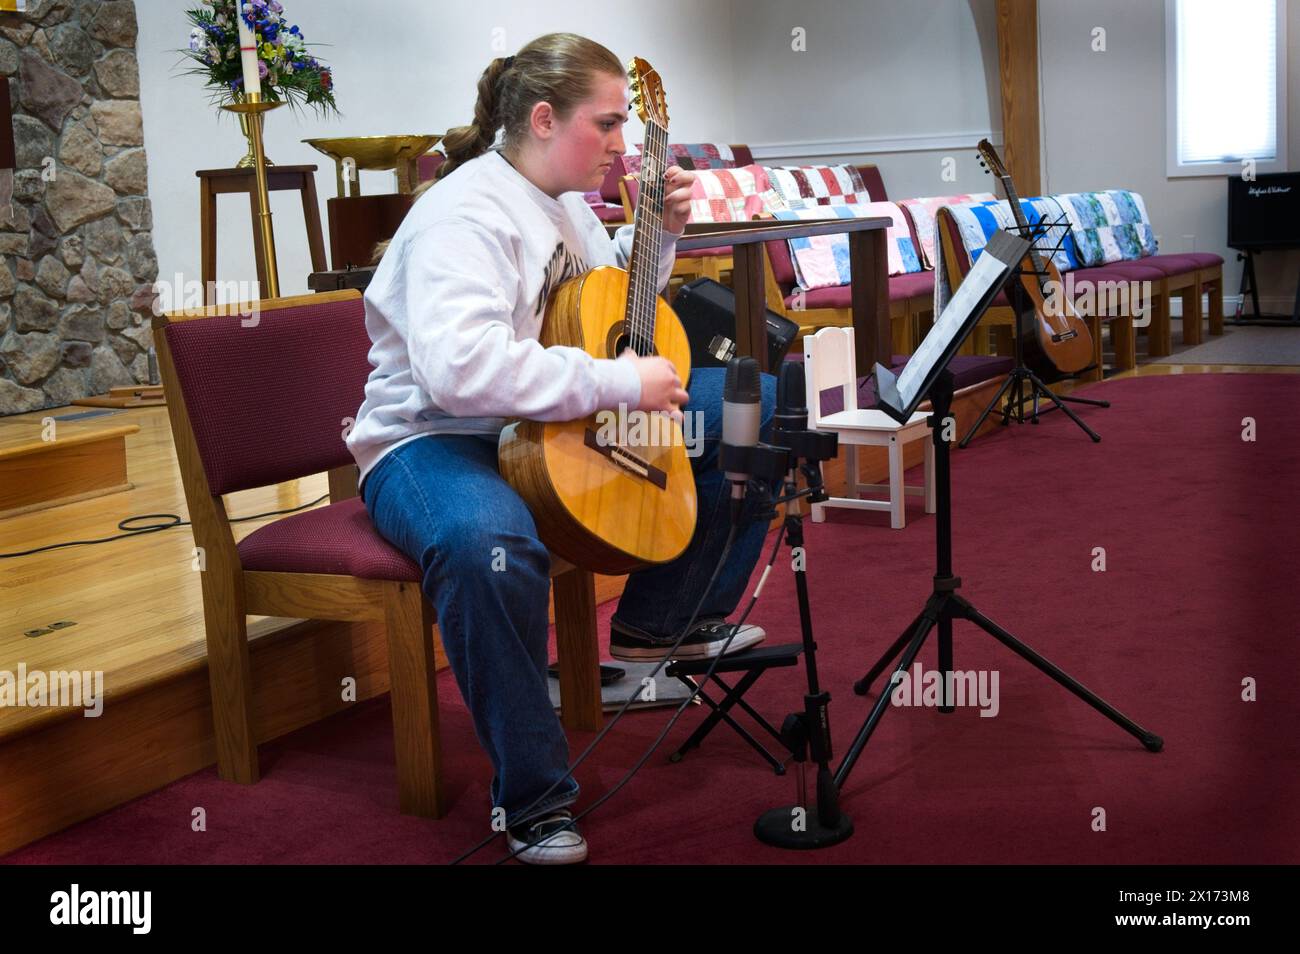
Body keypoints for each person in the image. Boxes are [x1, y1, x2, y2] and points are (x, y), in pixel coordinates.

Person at [346, 32, 775, 865]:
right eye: (607, 124)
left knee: (753, 407)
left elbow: (609, 309)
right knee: (488, 545)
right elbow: (461, 372)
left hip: (539, 425)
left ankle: (660, 626)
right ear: (544, 119)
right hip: (430, 441)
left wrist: (666, 231)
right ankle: (536, 798)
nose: (623, 147)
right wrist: (620, 387)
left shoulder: (566, 200)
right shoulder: (463, 216)